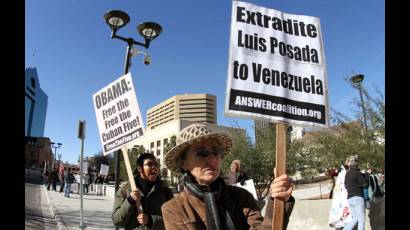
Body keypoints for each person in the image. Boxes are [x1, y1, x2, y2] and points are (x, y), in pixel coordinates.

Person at [161, 123, 294, 229]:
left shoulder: (241, 197)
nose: (213, 159)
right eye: (202, 153)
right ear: (184, 163)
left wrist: (278, 200)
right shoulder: (174, 209)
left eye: (216, 152)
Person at [112, 153, 174, 229]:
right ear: (139, 168)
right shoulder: (125, 190)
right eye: (150, 164)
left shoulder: (165, 191)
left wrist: (150, 220)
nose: (154, 167)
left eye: (156, 165)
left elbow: (173, 220)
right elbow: (117, 221)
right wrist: (130, 201)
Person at [344, 155, 367, 230]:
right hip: (358, 198)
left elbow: (345, 186)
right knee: (361, 219)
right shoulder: (357, 173)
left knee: (355, 218)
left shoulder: (347, 174)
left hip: (350, 198)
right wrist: (366, 175)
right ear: (356, 164)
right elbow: (364, 184)